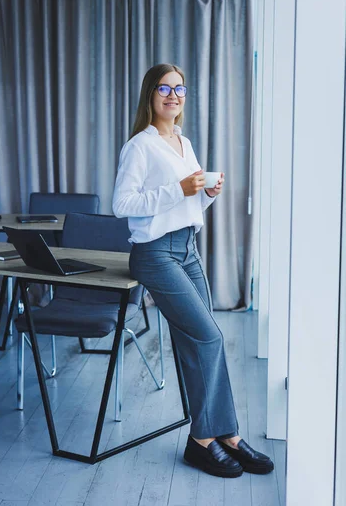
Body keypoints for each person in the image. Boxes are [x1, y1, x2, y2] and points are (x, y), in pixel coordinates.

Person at [112, 63, 274, 478]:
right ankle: (205, 440)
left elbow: (184, 206)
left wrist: (206, 196)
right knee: (210, 337)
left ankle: (225, 436)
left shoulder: (184, 143)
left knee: (196, 343)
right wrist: (179, 189)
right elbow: (122, 206)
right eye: (164, 88)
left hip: (187, 248)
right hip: (154, 254)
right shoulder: (140, 146)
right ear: (150, 95)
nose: (173, 95)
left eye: (180, 89)